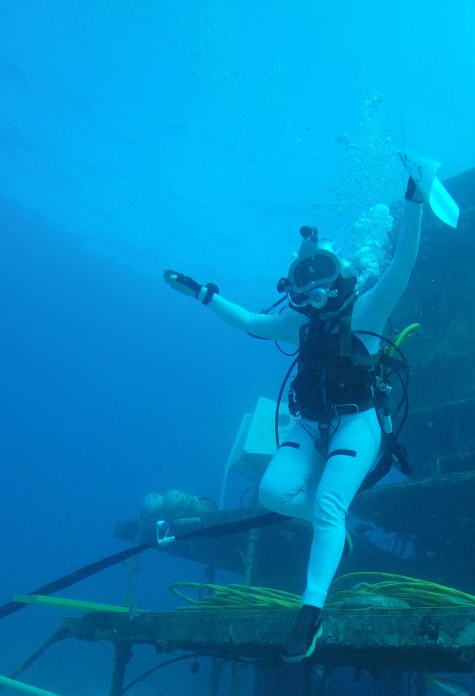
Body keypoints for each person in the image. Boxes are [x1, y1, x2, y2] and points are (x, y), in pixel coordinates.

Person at [164, 174, 424, 662]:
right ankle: (334, 528)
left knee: (327, 501)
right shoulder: (297, 324)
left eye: (323, 271)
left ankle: (311, 613)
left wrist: (415, 199)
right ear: (293, 286)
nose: (315, 286)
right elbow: (249, 322)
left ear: (341, 272)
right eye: (303, 278)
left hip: (358, 421)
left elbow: (403, 263)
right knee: (272, 492)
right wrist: (203, 294)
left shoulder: (369, 308)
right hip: (309, 422)